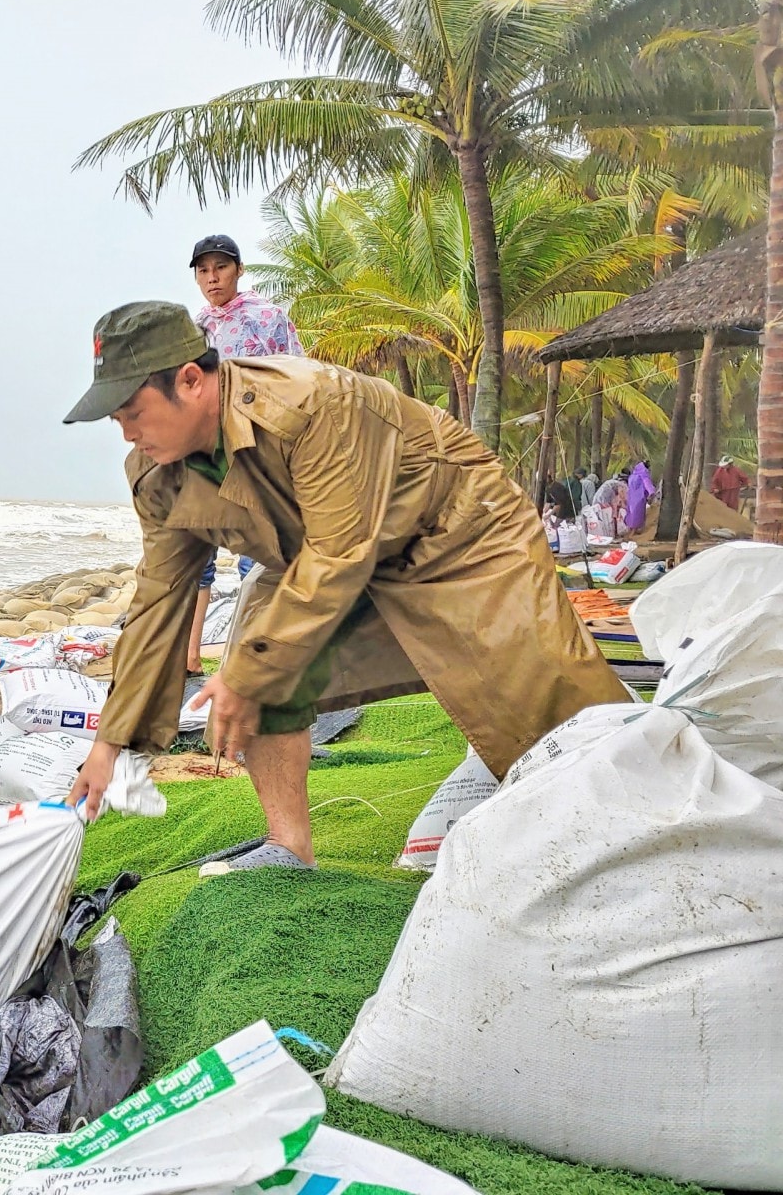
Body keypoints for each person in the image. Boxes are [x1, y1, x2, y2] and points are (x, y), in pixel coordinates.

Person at [62, 301, 627, 870]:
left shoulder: (312, 404)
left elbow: (339, 553)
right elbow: (159, 599)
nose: (128, 435)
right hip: (324, 553)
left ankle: (630, 821)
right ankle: (288, 845)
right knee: (262, 651)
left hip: (458, 531)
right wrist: (109, 744)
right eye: (116, 421)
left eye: (133, 412)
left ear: (189, 380)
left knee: (542, 688)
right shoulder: (155, 475)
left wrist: (244, 674)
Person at [184, 233, 303, 672]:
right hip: (205, 456)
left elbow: (298, 378)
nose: (212, 278)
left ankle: (261, 659)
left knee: (259, 555)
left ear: (238, 270)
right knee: (198, 554)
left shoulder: (267, 318)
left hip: (256, 452)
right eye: (203, 270)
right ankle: (191, 657)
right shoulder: (195, 327)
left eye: (221, 268)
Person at [625, 459, 657, 533]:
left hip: (631, 499)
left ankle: (630, 531)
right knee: (638, 515)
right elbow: (648, 485)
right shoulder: (643, 475)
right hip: (640, 498)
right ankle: (635, 532)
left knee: (631, 514)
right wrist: (651, 492)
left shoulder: (632, 476)